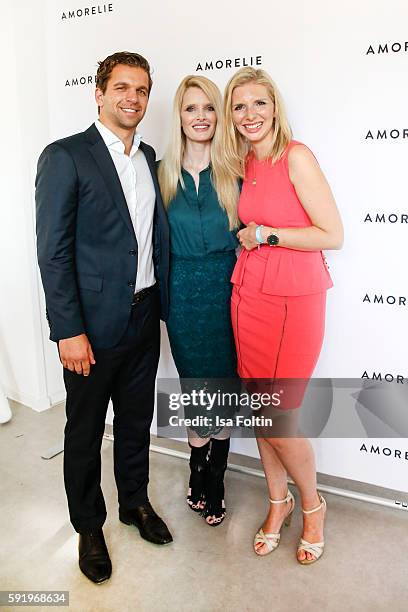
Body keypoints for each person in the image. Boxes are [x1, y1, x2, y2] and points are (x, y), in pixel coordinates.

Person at [35, 51, 172, 584]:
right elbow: (53, 252)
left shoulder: (149, 156)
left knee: (136, 422)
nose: (132, 98)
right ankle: (88, 526)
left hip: (143, 316)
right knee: (86, 430)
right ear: (99, 93)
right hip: (89, 327)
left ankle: (133, 504)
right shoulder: (66, 156)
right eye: (122, 88)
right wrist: (68, 330)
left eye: (141, 90)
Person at [223, 67, 343, 563]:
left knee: (279, 413)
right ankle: (279, 503)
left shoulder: (296, 157)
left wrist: (267, 234)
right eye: (240, 106)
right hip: (249, 294)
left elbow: (331, 235)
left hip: (295, 298)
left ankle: (313, 506)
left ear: (275, 108)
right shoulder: (245, 161)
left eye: (259, 104)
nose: (250, 114)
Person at [158, 76, 240, 526]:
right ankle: (196, 468)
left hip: (231, 292)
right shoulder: (161, 174)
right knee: (196, 388)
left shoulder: (237, 171)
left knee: (224, 385)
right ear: (180, 116)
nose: (201, 117)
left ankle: (218, 478)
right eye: (191, 109)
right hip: (184, 295)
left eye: (209, 108)